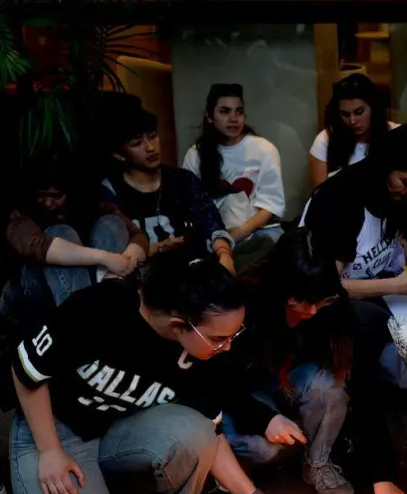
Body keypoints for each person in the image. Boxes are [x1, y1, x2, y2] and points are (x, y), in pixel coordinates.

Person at [10, 249, 299, 494]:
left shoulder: (202, 355)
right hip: (55, 429)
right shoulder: (100, 307)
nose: (227, 347)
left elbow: (208, 434)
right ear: (179, 323)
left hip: (121, 426)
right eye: (219, 339)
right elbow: (26, 371)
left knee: (194, 430)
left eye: (233, 336)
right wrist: (50, 451)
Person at [222, 231, 407, 494]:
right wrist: (264, 418)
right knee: (260, 447)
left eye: (318, 301)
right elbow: (221, 382)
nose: (311, 311)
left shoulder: (333, 305)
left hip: (293, 379)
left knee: (330, 387)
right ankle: (228, 470)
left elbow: (363, 386)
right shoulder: (247, 302)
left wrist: (382, 477)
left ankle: (317, 462)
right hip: (245, 387)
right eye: (299, 301)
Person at [300, 124, 407, 395]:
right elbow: (328, 285)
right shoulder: (340, 199)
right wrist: (397, 286)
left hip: (370, 282)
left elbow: (401, 239)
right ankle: (361, 398)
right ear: (384, 168)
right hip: (318, 301)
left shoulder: (395, 194)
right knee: (370, 320)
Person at [3, 160, 147, 326]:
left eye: (56, 196)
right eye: (42, 197)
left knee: (111, 224)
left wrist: (125, 263)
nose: (48, 203)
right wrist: (105, 258)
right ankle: (82, 326)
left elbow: (138, 235)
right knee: (62, 233)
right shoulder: (21, 216)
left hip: (100, 283)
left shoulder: (89, 204)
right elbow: (39, 246)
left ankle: (113, 313)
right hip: (41, 293)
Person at [101, 101, 235, 273]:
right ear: (118, 155)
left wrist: (224, 254)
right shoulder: (109, 191)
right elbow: (115, 252)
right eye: (136, 143)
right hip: (146, 278)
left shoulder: (182, 179)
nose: (150, 147)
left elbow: (211, 224)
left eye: (152, 136)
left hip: (196, 269)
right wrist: (158, 248)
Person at [181, 84, 286, 272]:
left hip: (256, 232)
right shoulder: (195, 155)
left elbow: (270, 205)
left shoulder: (264, 149)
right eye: (224, 111)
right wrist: (221, 239)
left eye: (239, 111)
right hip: (213, 236)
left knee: (273, 248)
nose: (233, 118)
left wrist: (241, 232)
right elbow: (190, 206)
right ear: (209, 116)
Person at [309, 72, 396, 187]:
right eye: (345, 114)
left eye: (359, 112)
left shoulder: (396, 135)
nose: (352, 121)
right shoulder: (325, 140)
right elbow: (319, 196)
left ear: (373, 108)